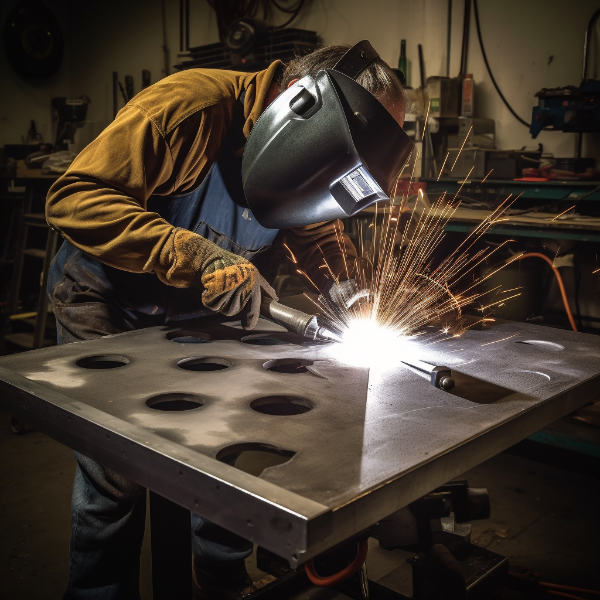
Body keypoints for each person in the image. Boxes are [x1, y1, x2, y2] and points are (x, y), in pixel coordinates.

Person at [45, 41, 411, 599]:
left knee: (223, 450)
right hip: (105, 297)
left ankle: (221, 580)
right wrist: (197, 256)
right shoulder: (186, 110)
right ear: (298, 106)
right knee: (114, 477)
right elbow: (73, 198)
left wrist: (353, 295)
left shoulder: (304, 156)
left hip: (196, 311)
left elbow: (317, 232)